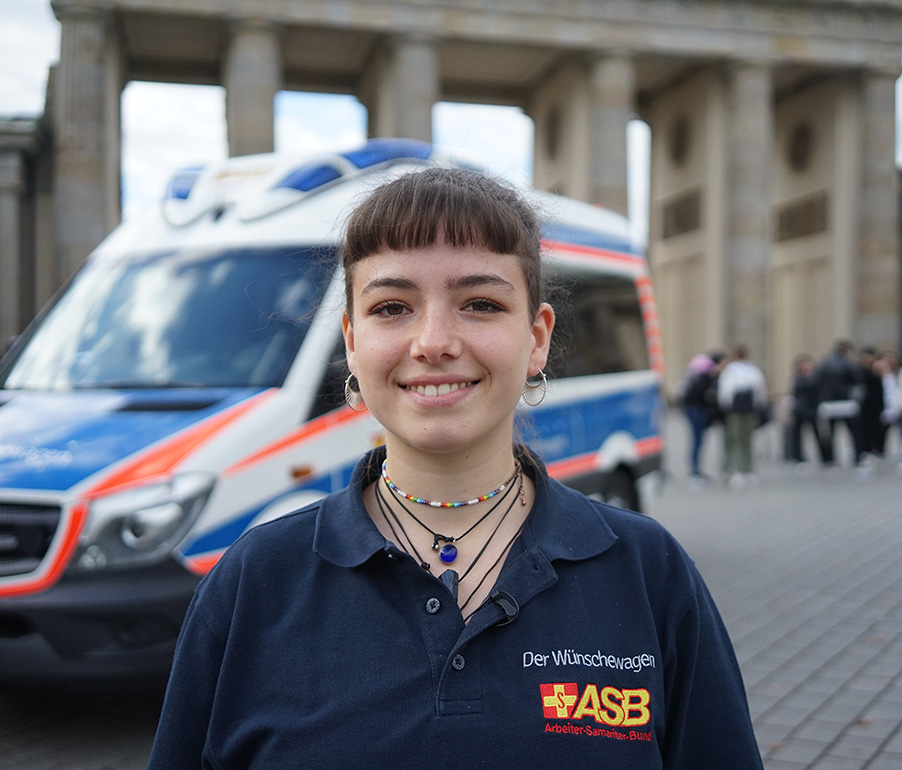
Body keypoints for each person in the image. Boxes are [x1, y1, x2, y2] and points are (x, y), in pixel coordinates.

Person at [147, 168, 763, 768]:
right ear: (352, 342)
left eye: (479, 302)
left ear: (537, 338)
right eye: (392, 307)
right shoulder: (253, 582)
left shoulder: (648, 571)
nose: (434, 341)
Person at [717, 343, 768, 488]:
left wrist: (725, 407)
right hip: (749, 409)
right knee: (747, 441)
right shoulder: (753, 370)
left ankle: (736, 469)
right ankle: (748, 469)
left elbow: (725, 392)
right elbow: (760, 391)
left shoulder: (731, 371)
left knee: (735, 441)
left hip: (735, 410)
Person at [816, 339, 862, 467]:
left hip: (829, 403)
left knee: (830, 434)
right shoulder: (848, 363)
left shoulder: (825, 363)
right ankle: (857, 457)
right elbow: (856, 381)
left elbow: (818, 382)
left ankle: (829, 460)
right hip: (845, 403)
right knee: (854, 432)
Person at [678, 351, 722, 484]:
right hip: (696, 410)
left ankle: (696, 470)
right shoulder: (707, 376)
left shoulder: (701, 373)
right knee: (697, 440)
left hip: (692, 409)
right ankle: (695, 471)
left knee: (697, 440)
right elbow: (703, 396)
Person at [785, 353, 822, 466]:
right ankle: (798, 457)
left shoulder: (815, 377)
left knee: (819, 434)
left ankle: (824, 457)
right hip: (800, 410)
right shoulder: (798, 378)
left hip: (812, 409)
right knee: (797, 435)